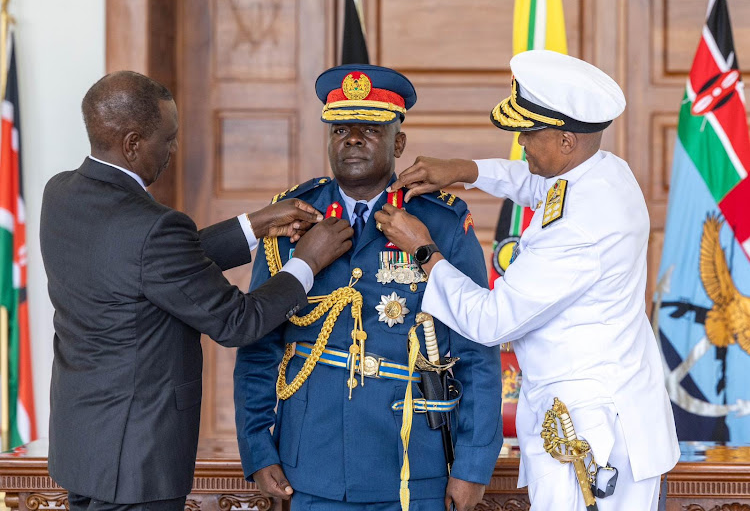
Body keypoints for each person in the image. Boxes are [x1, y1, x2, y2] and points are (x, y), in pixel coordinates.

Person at [374, 51, 680, 510]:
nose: (520, 142)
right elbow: (534, 183)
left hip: (587, 438)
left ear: (565, 140)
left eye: (529, 133)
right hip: (609, 411)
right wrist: (464, 170)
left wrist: (423, 250)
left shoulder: (578, 228)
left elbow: (491, 320)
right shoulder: (605, 172)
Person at [40, 71, 354, 511]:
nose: (173, 149)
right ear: (132, 144)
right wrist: (309, 260)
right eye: (167, 139)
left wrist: (253, 225)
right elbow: (238, 321)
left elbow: (142, 267)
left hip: (83, 449)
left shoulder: (61, 194)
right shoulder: (151, 229)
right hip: (138, 462)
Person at [233, 64, 503, 511]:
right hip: (312, 463)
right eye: (340, 128)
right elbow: (259, 343)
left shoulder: (441, 223)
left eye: (370, 129)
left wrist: (473, 465)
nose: (352, 139)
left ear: (399, 142)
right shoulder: (291, 219)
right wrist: (258, 447)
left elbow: (477, 348)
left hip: (413, 465)